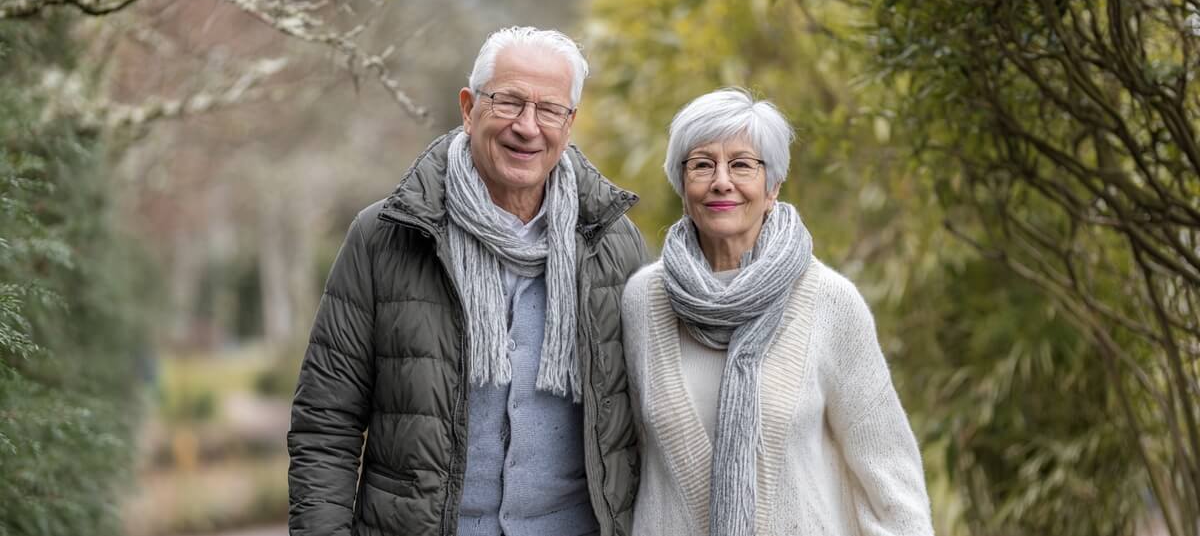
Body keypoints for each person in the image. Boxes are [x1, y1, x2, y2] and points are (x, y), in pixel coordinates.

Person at [288, 27, 649, 536]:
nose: (528, 127)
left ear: (570, 125)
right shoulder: (386, 237)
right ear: (468, 107)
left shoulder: (613, 244)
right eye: (509, 102)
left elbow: (648, 425)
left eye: (549, 110)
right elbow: (326, 423)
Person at [621, 88, 933, 536]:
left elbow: (889, 474)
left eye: (743, 165)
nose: (721, 181)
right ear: (682, 185)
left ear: (773, 188)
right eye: (702, 165)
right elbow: (625, 455)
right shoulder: (643, 301)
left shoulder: (828, 300)